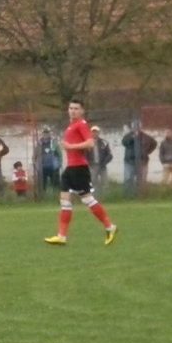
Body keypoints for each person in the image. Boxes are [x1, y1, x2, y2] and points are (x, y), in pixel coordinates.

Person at [45, 99, 117, 246]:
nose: (73, 111)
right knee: (64, 200)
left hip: (79, 168)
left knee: (87, 200)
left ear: (82, 111)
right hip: (70, 168)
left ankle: (110, 227)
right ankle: (62, 236)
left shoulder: (82, 124)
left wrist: (70, 146)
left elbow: (90, 143)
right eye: (71, 108)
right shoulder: (71, 126)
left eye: (76, 108)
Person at [122, 123, 157, 196]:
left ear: (140, 128)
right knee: (128, 179)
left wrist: (147, 152)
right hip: (130, 162)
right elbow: (124, 142)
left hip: (142, 161)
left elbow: (154, 143)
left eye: (137, 127)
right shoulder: (128, 136)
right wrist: (133, 137)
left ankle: (142, 195)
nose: (136, 129)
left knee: (142, 179)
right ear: (132, 128)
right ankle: (128, 195)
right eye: (134, 128)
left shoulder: (146, 137)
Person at [86, 126, 113, 195]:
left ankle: (107, 197)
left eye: (96, 132)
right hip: (92, 165)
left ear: (99, 133)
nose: (95, 133)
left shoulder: (104, 142)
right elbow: (84, 155)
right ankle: (95, 197)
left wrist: (104, 162)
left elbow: (110, 155)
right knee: (93, 182)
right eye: (93, 132)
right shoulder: (87, 143)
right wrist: (88, 163)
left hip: (102, 165)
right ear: (91, 133)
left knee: (105, 182)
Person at [36, 128, 61, 193]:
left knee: (55, 182)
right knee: (42, 183)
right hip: (42, 166)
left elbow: (59, 153)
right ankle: (42, 195)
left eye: (47, 133)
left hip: (53, 166)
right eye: (44, 133)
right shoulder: (39, 143)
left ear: (49, 134)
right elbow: (35, 154)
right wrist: (35, 163)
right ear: (42, 134)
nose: (46, 135)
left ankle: (56, 194)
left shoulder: (53, 142)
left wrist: (59, 163)